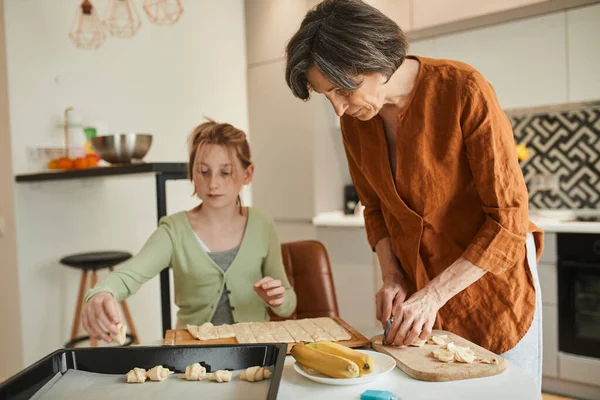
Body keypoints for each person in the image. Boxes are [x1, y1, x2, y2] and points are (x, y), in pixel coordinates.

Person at [285, 0, 544, 391]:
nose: (338, 108)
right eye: (327, 95)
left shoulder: (463, 89)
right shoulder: (357, 121)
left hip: (494, 294)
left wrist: (433, 295)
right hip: (422, 302)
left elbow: (509, 220)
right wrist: (393, 278)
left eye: (341, 89)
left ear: (373, 59)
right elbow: (374, 208)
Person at [81, 119, 297, 342]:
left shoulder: (262, 224)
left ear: (247, 173)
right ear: (191, 173)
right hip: (192, 356)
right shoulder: (174, 230)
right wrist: (100, 293)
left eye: (225, 173)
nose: (213, 183)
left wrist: (277, 300)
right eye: (203, 171)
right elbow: (129, 276)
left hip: (255, 352)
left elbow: (288, 305)